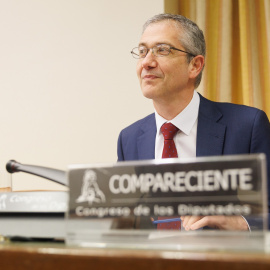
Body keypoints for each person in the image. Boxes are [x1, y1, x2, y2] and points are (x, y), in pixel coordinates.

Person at [117, 13, 270, 231]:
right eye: (142, 51)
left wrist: (240, 223)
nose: (147, 62)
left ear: (195, 66)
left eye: (162, 50)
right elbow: (122, 220)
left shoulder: (248, 126)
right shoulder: (129, 139)